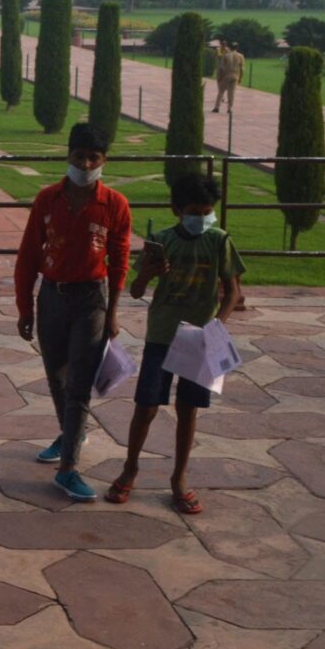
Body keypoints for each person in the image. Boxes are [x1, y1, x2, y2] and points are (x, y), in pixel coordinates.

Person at [108, 172, 244, 514]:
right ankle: (130, 468)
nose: (201, 217)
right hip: (162, 333)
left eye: (207, 210)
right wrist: (149, 273)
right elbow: (137, 291)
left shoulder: (219, 240)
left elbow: (233, 292)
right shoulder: (161, 241)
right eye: (194, 211)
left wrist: (217, 327)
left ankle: (179, 477)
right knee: (147, 406)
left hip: (200, 337)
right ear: (177, 209)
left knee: (188, 409)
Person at [13, 122, 133, 502]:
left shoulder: (114, 205)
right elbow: (28, 256)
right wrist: (24, 307)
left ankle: (68, 468)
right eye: (79, 156)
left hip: (91, 301)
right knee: (57, 377)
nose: (85, 163)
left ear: (104, 160)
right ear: (68, 155)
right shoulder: (48, 199)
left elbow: (119, 262)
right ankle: (70, 433)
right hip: (52, 296)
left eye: (93, 157)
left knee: (80, 384)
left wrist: (113, 312)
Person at [212, 40, 243, 114]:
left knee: (221, 91)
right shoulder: (240, 56)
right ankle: (229, 108)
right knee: (231, 93)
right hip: (235, 75)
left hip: (227, 75)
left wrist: (220, 77)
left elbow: (221, 68)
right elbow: (242, 69)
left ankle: (217, 107)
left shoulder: (226, 55)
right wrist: (240, 78)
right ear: (237, 48)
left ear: (230, 47)